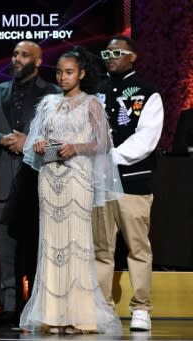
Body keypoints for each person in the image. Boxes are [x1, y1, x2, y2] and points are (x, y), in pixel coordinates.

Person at [19, 46, 123, 334]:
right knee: (51, 245)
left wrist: (76, 146)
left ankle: (80, 316)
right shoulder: (48, 103)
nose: (63, 78)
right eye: (60, 73)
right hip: (50, 178)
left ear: (82, 74)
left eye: (69, 73)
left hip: (78, 178)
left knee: (77, 244)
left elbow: (103, 144)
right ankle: (52, 315)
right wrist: (39, 142)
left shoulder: (92, 104)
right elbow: (34, 141)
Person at [0, 40, 60, 328]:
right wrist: (0, 139)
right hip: (1, 183)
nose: (17, 59)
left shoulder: (54, 94)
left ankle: (36, 308)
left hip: (39, 183)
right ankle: (9, 307)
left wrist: (27, 145)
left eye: (24, 55)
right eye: (14, 54)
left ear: (38, 62)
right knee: (6, 250)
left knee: (37, 249)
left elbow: (62, 141)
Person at [93, 35, 164, 332]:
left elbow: (147, 139)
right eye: (107, 52)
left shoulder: (149, 93)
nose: (111, 56)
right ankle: (103, 307)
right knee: (100, 249)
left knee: (137, 247)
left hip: (133, 180)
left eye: (118, 52)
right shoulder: (95, 90)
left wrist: (111, 157)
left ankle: (141, 307)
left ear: (133, 56)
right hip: (100, 182)